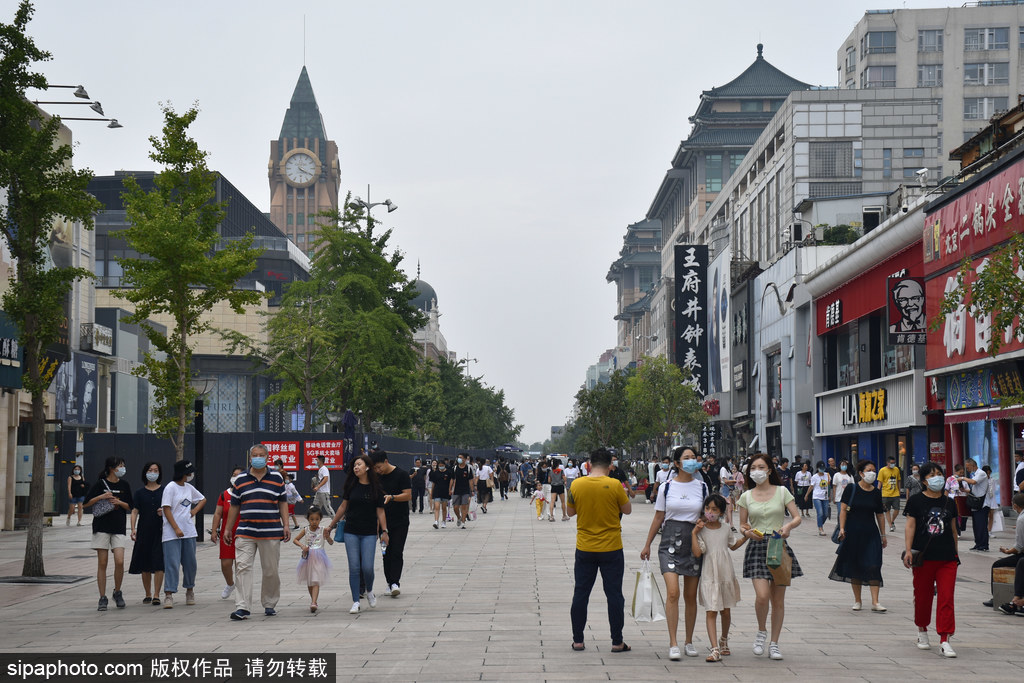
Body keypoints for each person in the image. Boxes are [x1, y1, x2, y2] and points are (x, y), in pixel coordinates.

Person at [640, 446, 708, 659]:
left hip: (693, 542)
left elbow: (710, 515)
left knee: (690, 596)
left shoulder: (703, 487)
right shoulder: (666, 488)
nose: (691, 461)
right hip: (669, 542)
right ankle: (673, 642)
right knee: (672, 593)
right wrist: (647, 544)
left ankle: (688, 641)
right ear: (677, 463)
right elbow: (659, 517)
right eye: (686, 458)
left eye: (693, 458)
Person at [737, 453, 803, 661]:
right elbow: (743, 525)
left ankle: (774, 643)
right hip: (757, 546)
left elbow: (797, 516)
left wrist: (788, 526)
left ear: (769, 470)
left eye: (760, 467)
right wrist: (747, 533)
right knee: (762, 596)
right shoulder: (746, 496)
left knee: (778, 600)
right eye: (753, 468)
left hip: (778, 545)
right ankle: (761, 631)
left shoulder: (782, 492)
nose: (757, 471)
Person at [568, 447, 632, 653]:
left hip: (585, 547)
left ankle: (578, 640)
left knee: (581, 593)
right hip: (611, 547)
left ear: (589, 464)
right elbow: (627, 510)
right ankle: (617, 641)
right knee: (614, 594)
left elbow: (570, 512)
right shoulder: (614, 484)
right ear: (610, 465)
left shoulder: (577, 484)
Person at [223, 444, 291, 621]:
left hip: (271, 531)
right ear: (250, 458)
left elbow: (283, 502)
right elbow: (234, 506)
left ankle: (269, 603)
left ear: (267, 458)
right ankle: (242, 607)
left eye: (261, 455)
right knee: (243, 568)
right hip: (246, 531)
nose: (258, 457)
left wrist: (286, 525)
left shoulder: (276, 478)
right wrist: (228, 529)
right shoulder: (240, 479)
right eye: (255, 455)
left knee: (271, 570)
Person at [904, 462, 960, 658]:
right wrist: (908, 550)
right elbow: (910, 526)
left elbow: (953, 530)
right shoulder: (916, 501)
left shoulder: (950, 502)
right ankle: (922, 630)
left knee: (946, 597)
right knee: (923, 596)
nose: (937, 477)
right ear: (924, 480)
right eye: (933, 474)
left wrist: (956, 554)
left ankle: (945, 639)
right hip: (924, 557)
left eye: (940, 474)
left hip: (947, 558)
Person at [326, 453, 388, 614]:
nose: (356, 467)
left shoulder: (376, 488)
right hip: (351, 531)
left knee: (367, 567)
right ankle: (355, 601)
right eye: (354, 466)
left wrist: (385, 531)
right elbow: (342, 507)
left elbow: (380, 512)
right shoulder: (351, 486)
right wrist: (331, 525)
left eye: (359, 464)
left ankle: (370, 591)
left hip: (369, 532)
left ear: (367, 467)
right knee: (354, 567)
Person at [691, 494, 745, 662]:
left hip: (725, 573)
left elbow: (733, 545)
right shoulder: (701, 530)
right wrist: (694, 533)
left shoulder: (726, 528)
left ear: (721, 512)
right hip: (709, 574)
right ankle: (714, 648)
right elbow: (698, 552)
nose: (710, 512)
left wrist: (747, 537)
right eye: (707, 509)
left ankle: (724, 639)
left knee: (726, 610)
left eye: (714, 509)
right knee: (711, 610)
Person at [830, 460, 888, 612]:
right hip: (853, 532)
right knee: (855, 566)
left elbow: (880, 515)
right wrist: (842, 528)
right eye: (869, 470)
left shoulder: (876, 492)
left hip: (871, 533)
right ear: (861, 473)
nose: (872, 473)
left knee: (874, 564)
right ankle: (858, 600)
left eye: (874, 470)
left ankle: (875, 602)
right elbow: (843, 509)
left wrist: (883, 534)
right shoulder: (851, 488)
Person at [85, 456, 133, 611]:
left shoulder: (125, 484)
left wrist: (119, 502)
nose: (122, 468)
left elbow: (130, 506)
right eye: (120, 466)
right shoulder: (100, 484)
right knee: (103, 563)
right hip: (101, 527)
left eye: (123, 466)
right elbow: (86, 503)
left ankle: (117, 592)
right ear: (112, 468)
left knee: (119, 561)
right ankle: (102, 597)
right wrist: (101, 496)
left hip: (119, 527)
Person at [160, 460, 205, 608]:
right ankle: (169, 594)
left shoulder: (189, 488)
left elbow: (202, 499)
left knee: (190, 563)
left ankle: (190, 590)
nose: (191, 474)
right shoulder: (170, 488)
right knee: (172, 563)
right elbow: (166, 509)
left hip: (189, 531)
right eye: (189, 472)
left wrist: (194, 511)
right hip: (171, 533)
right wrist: (176, 528)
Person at [372, 450, 411, 597]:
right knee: (386, 553)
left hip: (400, 520)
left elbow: (407, 495)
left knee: (396, 551)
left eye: (379, 467)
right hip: (383, 522)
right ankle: (389, 582)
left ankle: (395, 582)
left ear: (386, 461)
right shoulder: (376, 477)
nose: (378, 470)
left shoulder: (402, 474)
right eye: (375, 468)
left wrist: (393, 497)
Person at [129, 461, 165, 606]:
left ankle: (157, 594)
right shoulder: (139, 492)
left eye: (156, 470)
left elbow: (171, 508)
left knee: (159, 563)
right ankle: (148, 593)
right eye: (150, 470)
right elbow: (134, 511)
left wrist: (164, 512)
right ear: (145, 472)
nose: (153, 472)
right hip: (144, 530)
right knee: (144, 563)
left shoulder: (165, 490)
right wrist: (132, 529)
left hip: (161, 530)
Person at [985, 492, 1024, 613]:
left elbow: (1019, 547)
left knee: (998, 564)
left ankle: (999, 597)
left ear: (1015, 506)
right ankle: (1016, 599)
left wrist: (1007, 551)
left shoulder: (1021, 519)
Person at [210, 467, 244, 600]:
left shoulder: (246, 494)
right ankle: (230, 584)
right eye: (234, 475)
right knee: (226, 563)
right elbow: (218, 513)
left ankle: (242, 590)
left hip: (242, 532)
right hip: (227, 534)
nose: (235, 477)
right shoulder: (224, 494)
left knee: (241, 564)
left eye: (239, 475)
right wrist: (214, 531)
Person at [293, 505, 334, 613]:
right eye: (312, 519)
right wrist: (302, 546)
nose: (314, 522)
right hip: (307, 557)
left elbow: (331, 542)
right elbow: (295, 540)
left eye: (317, 519)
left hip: (319, 557)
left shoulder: (322, 530)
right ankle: (313, 600)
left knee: (315, 580)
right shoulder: (305, 530)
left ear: (320, 519)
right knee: (310, 581)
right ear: (308, 519)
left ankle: (314, 602)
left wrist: (328, 536)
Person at [958, 458, 989, 552]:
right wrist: (964, 490)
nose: (967, 469)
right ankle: (978, 544)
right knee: (976, 526)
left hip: (982, 504)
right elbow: (975, 489)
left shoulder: (981, 473)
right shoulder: (975, 474)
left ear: (973, 465)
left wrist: (962, 478)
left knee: (981, 525)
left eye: (968, 467)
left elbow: (973, 482)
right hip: (976, 503)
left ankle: (983, 545)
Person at [805, 463, 830, 536]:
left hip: (825, 497)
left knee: (825, 514)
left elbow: (829, 485)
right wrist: (806, 495)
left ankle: (820, 524)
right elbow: (811, 486)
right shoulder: (814, 477)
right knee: (820, 513)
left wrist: (830, 495)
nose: (822, 469)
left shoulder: (827, 475)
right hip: (816, 497)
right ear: (817, 468)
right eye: (820, 467)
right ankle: (820, 528)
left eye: (823, 467)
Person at [878, 456, 902, 533]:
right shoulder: (882, 470)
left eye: (894, 463)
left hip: (895, 493)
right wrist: (878, 493)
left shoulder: (896, 469)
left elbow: (898, 480)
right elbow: (880, 483)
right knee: (887, 510)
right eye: (891, 463)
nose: (893, 464)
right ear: (887, 463)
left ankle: (892, 521)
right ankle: (890, 525)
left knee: (897, 509)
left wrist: (899, 490)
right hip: (885, 494)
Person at [451, 453, 474, 528]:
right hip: (456, 490)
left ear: (465, 459)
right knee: (455, 507)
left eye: (460, 457)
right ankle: (459, 517)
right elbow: (452, 479)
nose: (459, 459)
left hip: (465, 490)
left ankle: (463, 522)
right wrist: (450, 488)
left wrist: (472, 490)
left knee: (464, 507)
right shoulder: (455, 468)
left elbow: (470, 480)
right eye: (458, 457)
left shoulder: (468, 468)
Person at [946, 463, 968, 532]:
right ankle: (957, 530)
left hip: (962, 499)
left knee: (963, 517)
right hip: (953, 500)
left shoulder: (964, 480)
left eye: (963, 473)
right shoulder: (950, 479)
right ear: (956, 471)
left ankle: (960, 528)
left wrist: (964, 490)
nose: (961, 474)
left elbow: (968, 491)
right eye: (960, 472)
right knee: (955, 516)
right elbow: (946, 490)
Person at [430, 460, 452, 529]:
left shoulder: (448, 472)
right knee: (437, 507)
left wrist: (450, 490)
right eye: (440, 465)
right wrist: (432, 492)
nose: (441, 467)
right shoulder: (435, 473)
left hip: (445, 492)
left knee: (444, 508)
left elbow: (451, 482)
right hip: (437, 491)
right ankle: (436, 521)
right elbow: (433, 483)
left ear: (444, 465)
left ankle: (443, 521)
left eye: (442, 465)